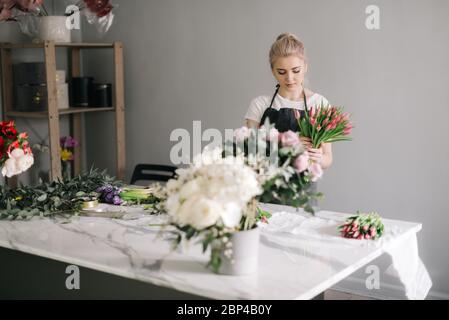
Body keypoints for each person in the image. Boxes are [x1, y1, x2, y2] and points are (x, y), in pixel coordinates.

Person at [245, 32, 333, 169]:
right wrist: (290, 145)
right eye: (281, 72)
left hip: (306, 188)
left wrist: (319, 158)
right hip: (267, 185)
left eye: (296, 71)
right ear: (273, 71)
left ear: (305, 67)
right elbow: (250, 155)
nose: (289, 78)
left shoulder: (319, 104)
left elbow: (328, 159)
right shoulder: (259, 105)